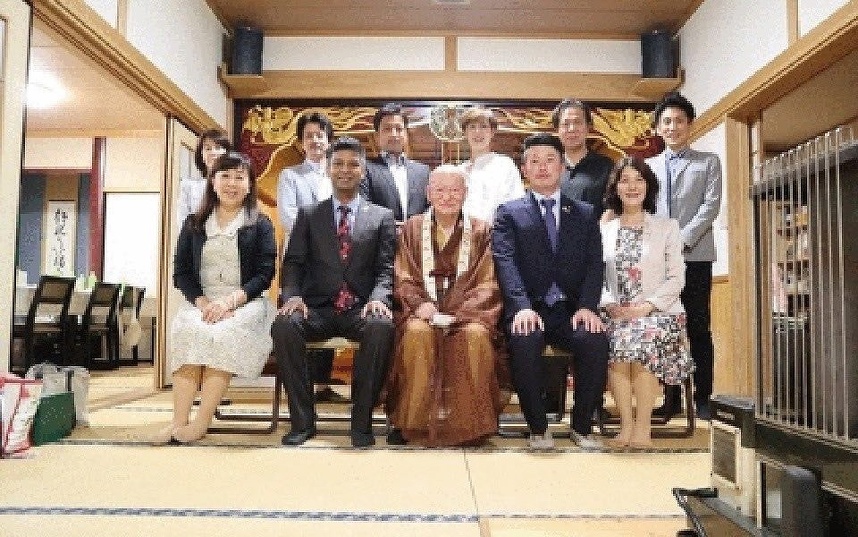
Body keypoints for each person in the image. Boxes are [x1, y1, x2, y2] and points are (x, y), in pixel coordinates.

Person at [272, 136, 396, 448]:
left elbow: (385, 269)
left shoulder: (382, 216)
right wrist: (293, 296)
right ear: (328, 169)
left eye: (353, 164)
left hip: (359, 308)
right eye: (338, 163)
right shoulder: (309, 214)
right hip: (317, 308)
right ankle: (302, 421)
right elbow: (294, 263)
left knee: (382, 327)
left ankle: (362, 422)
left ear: (364, 171)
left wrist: (378, 299)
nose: (345, 170)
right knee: (284, 326)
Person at [492, 133, 609, 450]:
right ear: (524, 169)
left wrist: (588, 306)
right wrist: (520, 306)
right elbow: (505, 262)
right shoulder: (509, 212)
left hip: (572, 309)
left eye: (549, 160)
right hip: (531, 307)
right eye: (534, 161)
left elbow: (593, 264)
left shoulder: (584, 214)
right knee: (524, 339)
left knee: (595, 339)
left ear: (562, 167)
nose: (542, 167)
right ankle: (538, 428)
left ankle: (582, 426)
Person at [156, 151, 277, 444]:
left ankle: (201, 422)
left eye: (240, 177)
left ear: (250, 185)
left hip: (246, 304)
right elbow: (181, 273)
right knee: (187, 328)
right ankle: (178, 421)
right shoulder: (193, 224)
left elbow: (264, 275)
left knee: (222, 334)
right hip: (203, 302)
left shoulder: (260, 224)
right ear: (212, 181)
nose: (232, 183)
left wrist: (229, 302)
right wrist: (204, 303)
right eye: (225, 176)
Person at [387, 165, 507, 447]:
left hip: (468, 315)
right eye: (440, 190)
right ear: (428, 193)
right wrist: (421, 305)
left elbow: (488, 282)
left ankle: (471, 424)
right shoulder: (412, 229)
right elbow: (402, 276)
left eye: (455, 190)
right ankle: (412, 421)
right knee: (417, 334)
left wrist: (458, 314)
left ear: (465, 194)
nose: (447, 197)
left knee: (476, 336)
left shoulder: (481, 231)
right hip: (421, 312)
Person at [599, 157, 692, 448]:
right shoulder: (604, 230)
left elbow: (677, 278)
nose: (632, 186)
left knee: (642, 339)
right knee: (615, 340)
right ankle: (625, 427)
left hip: (659, 312)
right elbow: (595, 277)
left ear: (649, 187)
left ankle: (643, 429)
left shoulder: (667, 227)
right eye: (625, 180)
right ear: (615, 187)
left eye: (639, 180)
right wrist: (609, 303)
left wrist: (646, 307)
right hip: (616, 312)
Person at [646, 92, 722, 421]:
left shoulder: (708, 162)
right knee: (666, 328)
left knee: (698, 327)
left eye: (679, 121)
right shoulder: (646, 168)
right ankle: (671, 399)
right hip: (658, 263)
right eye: (667, 121)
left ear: (689, 125)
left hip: (696, 258)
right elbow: (644, 210)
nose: (673, 127)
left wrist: (680, 242)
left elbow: (710, 207)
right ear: (658, 128)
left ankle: (703, 397)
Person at [275, 110, 343, 404]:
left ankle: (322, 385)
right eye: (309, 136)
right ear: (301, 142)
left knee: (329, 311)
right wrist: (322, 241)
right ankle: (299, 387)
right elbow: (289, 217)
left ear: (329, 140)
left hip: (337, 260)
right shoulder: (290, 176)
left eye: (320, 135)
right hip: (302, 260)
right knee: (298, 318)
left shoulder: (339, 172)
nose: (315, 140)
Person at [360, 103, 431, 223]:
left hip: (416, 239)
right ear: (377, 136)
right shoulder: (365, 169)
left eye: (399, 129)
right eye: (387, 129)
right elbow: (365, 209)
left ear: (406, 134)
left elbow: (430, 209)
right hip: (382, 239)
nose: (394, 134)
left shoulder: (423, 171)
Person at [457, 106, 524, 223]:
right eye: (472, 127)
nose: (478, 132)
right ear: (465, 133)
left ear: (492, 132)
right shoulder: (458, 171)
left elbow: (515, 204)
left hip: (496, 234)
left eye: (483, 126)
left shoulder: (504, 164)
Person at [553, 98, 614, 217]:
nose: (572, 129)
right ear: (557, 130)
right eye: (566, 124)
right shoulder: (550, 167)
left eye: (578, 122)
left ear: (588, 127)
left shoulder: (606, 166)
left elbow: (612, 208)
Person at [176, 129, 231, 224]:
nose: (213, 152)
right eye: (208, 148)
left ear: (227, 152)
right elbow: (183, 222)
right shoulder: (188, 186)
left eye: (218, 148)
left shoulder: (234, 185)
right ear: (201, 154)